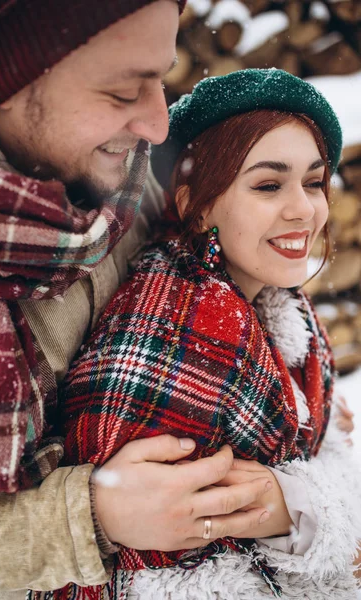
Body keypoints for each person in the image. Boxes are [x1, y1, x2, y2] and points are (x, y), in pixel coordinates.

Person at [0, 3, 275, 599]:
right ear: (6, 84)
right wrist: (87, 517)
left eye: (160, 79)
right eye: (122, 91)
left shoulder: (134, 178)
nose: (158, 124)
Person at [57, 69, 361, 600]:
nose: (304, 210)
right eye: (268, 185)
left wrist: (300, 505)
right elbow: (156, 578)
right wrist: (310, 520)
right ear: (195, 204)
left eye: (313, 182)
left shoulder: (268, 296)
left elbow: (324, 454)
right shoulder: (178, 333)